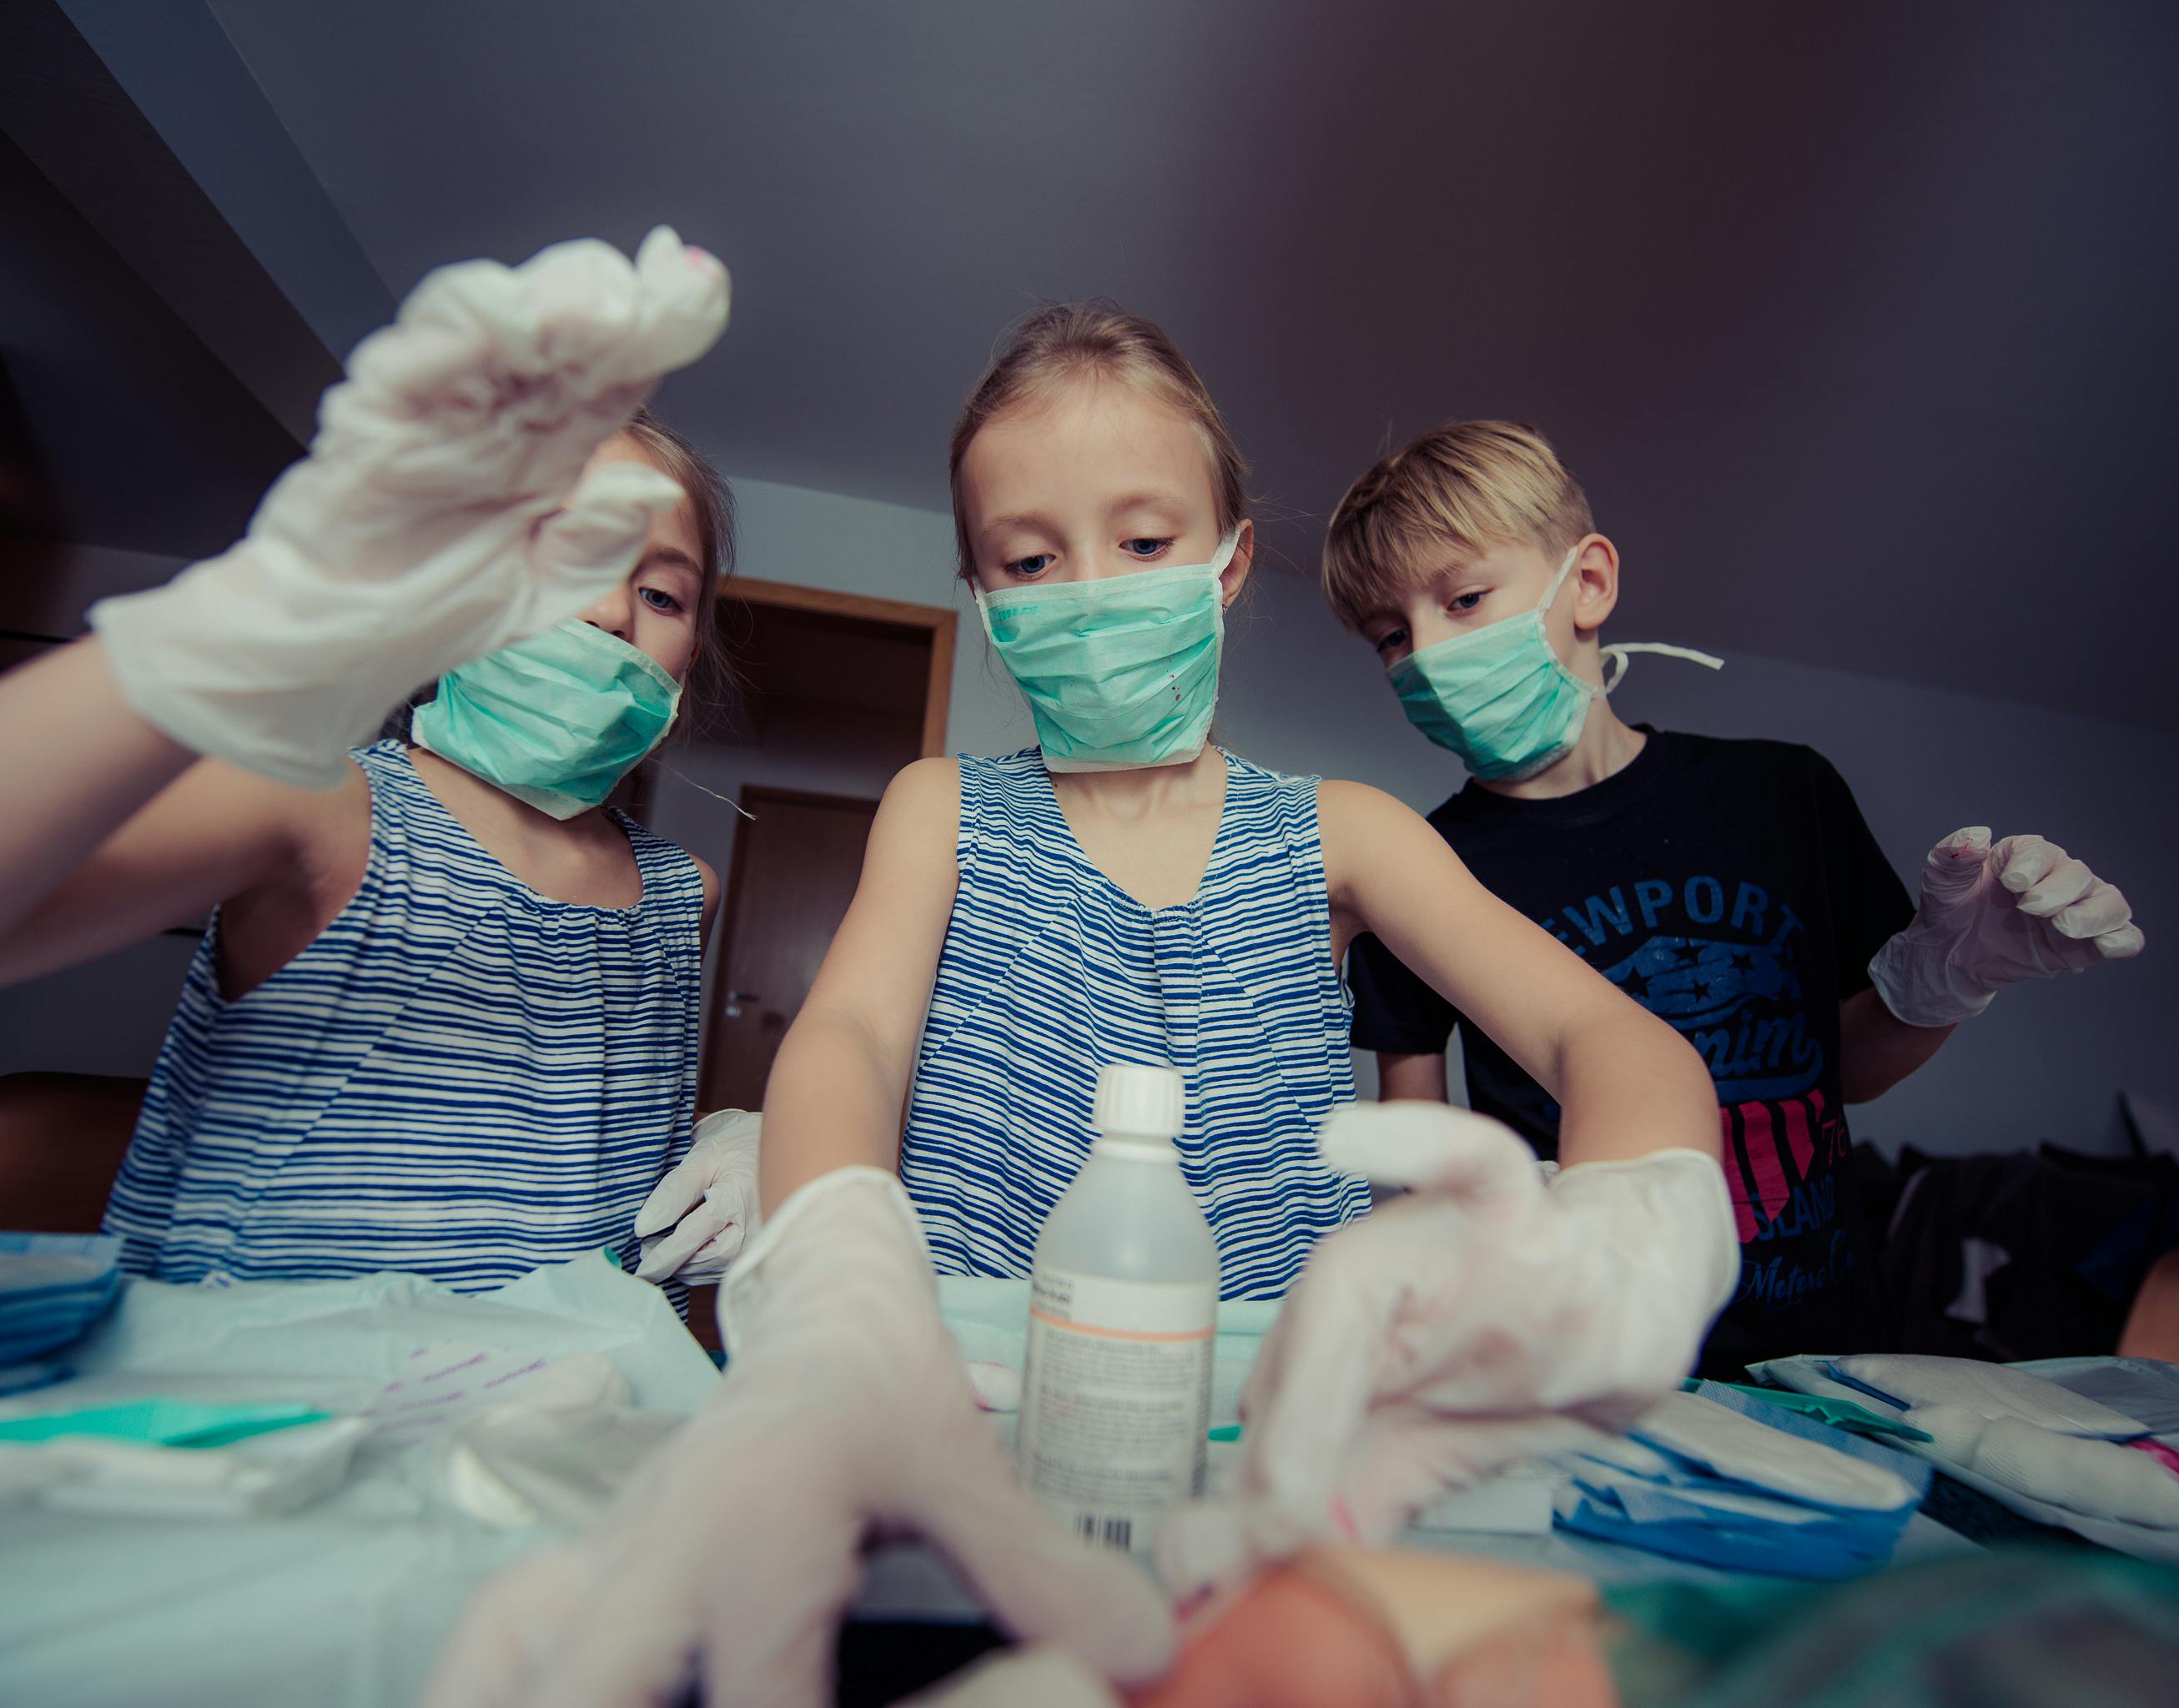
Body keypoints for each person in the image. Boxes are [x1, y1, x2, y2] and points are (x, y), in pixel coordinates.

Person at [434, 304, 1744, 1705]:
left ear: (1229, 562)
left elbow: (1608, 1039)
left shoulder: (1343, 834)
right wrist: (833, 1288)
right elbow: (853, 1040)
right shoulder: (942, 810)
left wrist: (1633, 1219)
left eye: (1144, 540)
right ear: (982, 592)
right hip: (963, 1419)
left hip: (1268, 1451)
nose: (1091, 589)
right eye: (1031, 559)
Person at [0, 228, 744, 1299]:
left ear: (693, 653)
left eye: (662, 592)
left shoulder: (683, 893)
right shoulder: (318, 803)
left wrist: (743, 1134)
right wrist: (239, 623)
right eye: (562, 551)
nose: (607, 610)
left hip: (569, 1401)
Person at [1316, 420, 2145, 1377]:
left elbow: (1844, 1068)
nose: (1425, 655)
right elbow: (1424, 1155)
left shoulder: (1781, 794)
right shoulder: (1418, 867)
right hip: (1585, 1361)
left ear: (1587, 581)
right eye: (1389, 636)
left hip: (1826, 1346)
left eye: (1463, 599)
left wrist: (1944, 982)